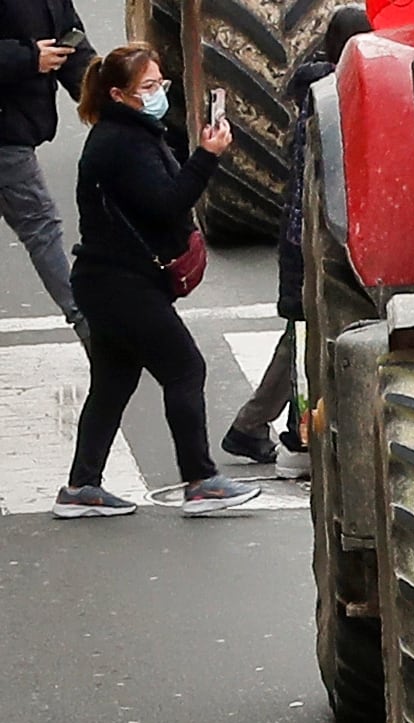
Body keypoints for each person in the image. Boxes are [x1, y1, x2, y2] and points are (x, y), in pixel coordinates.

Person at [55, 42, 258, 517]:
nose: (158, 94)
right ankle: (201, 480)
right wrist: (207, 156)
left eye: (160, 84)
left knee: (112, 383)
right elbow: (168, 202)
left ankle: (82, 487)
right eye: (148, 87)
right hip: (121, 284)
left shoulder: (133, 133)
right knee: (185, 368)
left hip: (108, 282)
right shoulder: (121, 143)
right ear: (119, 94)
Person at [222, 2, 369, 467]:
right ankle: (263, 425)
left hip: (300, 237)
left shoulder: (313, 94)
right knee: (307, 333)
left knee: (301, 331)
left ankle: (269, 426)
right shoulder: (334, 100)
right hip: (316, 239)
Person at [0, 0, 93, 333]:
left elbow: (71, 43)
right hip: (7, 135)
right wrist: (28, 58)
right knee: (41, 228)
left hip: (16, 129)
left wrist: (105, 95)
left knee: (41, 228)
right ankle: (88, 324)